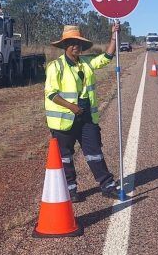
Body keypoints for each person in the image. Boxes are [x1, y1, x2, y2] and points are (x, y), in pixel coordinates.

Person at [44, 23, 120, 202]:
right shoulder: (55, 67)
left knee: (95, 151)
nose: (75, 46)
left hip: (86, 117)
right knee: (66, 157)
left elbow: (107, 57)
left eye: (77, 43)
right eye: (71, 43)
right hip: (65, 119)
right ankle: (70, 190)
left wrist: (114, 36)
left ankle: (107, 185)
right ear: (65, 46)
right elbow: (51, 94)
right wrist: (72, 107)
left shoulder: (86, 62)